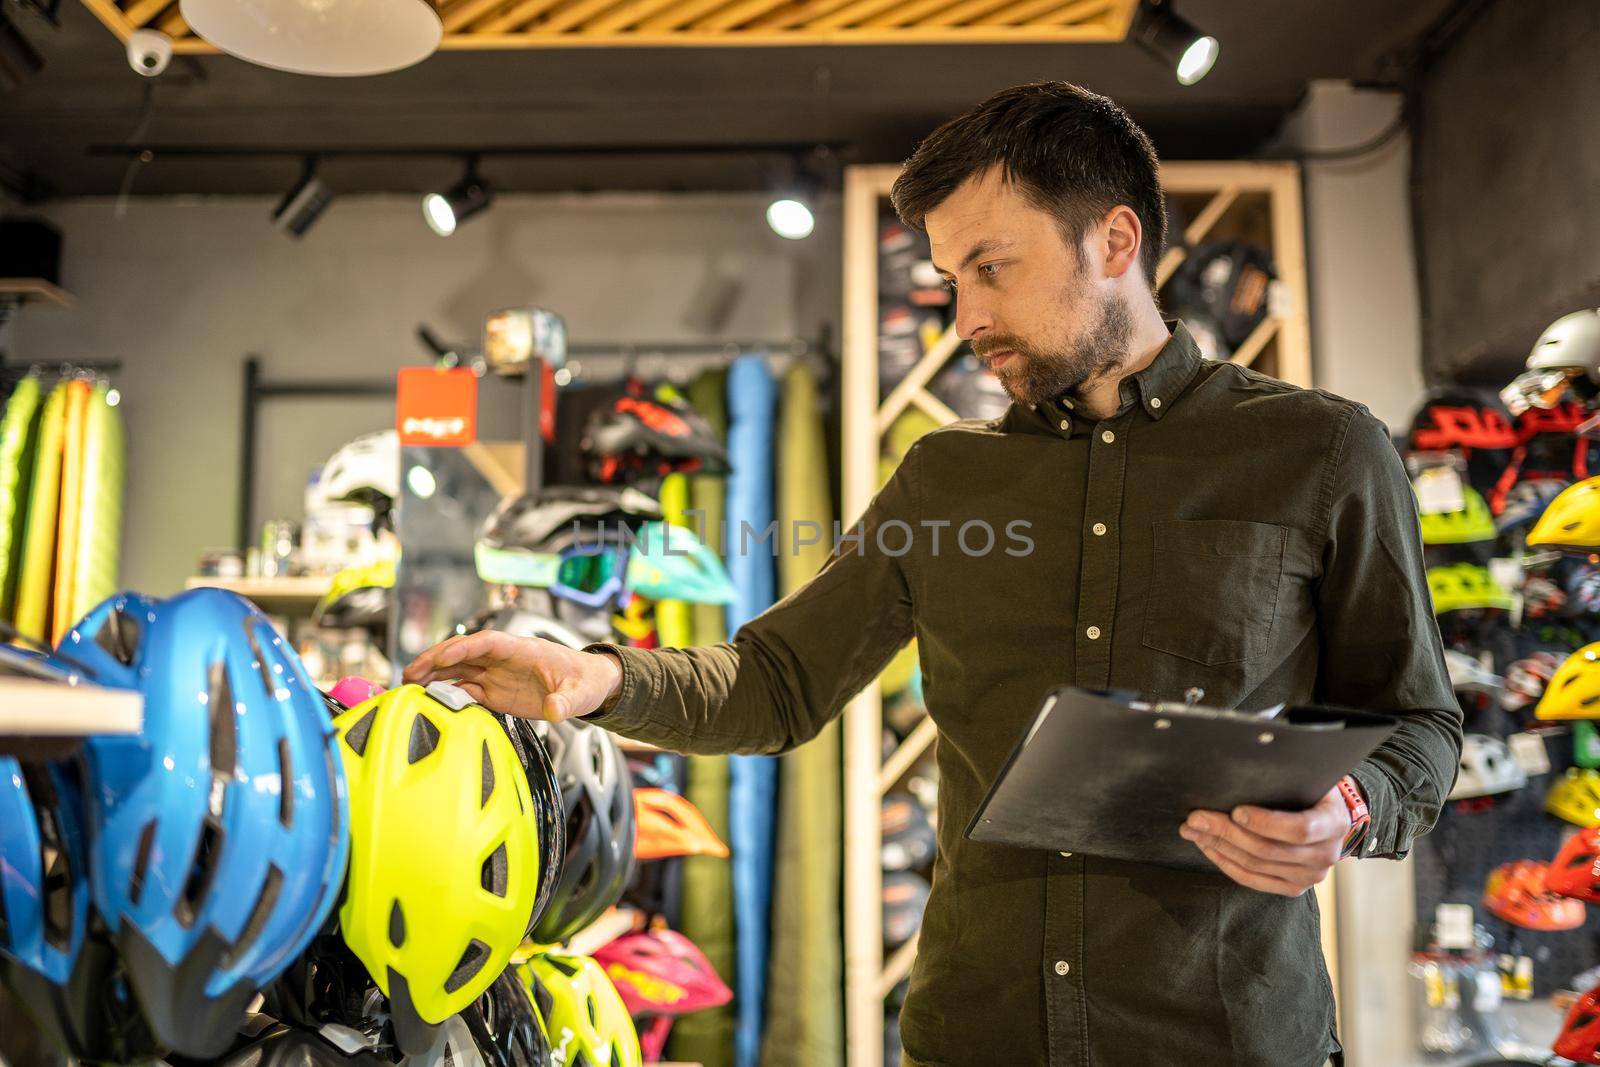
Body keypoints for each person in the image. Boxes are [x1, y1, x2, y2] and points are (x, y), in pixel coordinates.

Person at [406, 82, 1462, 1067]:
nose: (965, 319)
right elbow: (777, 680)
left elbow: (1420, 725)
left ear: (1114, 240)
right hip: (979, 1028)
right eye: (950, 281)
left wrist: (1349, 802)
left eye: (991, 269)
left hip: (1222, 1031)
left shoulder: (1322, 453)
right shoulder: (945, 476)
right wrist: (591, 681)